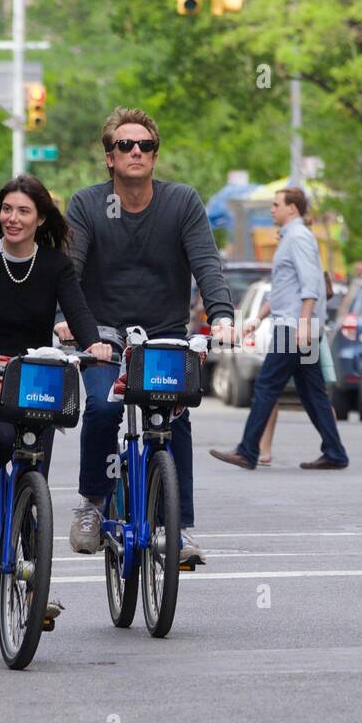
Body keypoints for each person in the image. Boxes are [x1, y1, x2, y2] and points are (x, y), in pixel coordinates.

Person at [55, 107, 235, 562]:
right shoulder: (88, 204)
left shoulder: (182, 202)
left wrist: (222, 316)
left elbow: (206, 265)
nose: (136, 151)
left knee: (175, 420)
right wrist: (68, 321)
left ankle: (180, 530)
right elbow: (69, 272)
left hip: (164, 334)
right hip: (101, 334)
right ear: (110, 158)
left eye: (145, 146)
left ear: (155, 156)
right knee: (99, 407)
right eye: (125, 145)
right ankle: (93, 503)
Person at [0, 175, 109, 542]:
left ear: (40, 219)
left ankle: (34, 590)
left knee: (33, 478)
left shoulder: (55, 266)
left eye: (23, 211)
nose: (13, 218)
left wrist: (94, 345)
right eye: (7, 209)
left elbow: (79, 313)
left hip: (34, 380)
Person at [210, 187, 349, 471]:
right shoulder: (291, 238)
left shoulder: (298, 238)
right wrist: (257, 319)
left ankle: (247, 451)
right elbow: (285, 290)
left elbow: (311, 283)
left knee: (266, 384)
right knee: (312, 391)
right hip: (298, 325)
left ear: (292, 209)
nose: (272, 209)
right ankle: (335, 452)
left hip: (294, 328)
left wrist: (303, 323)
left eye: (276, 205)